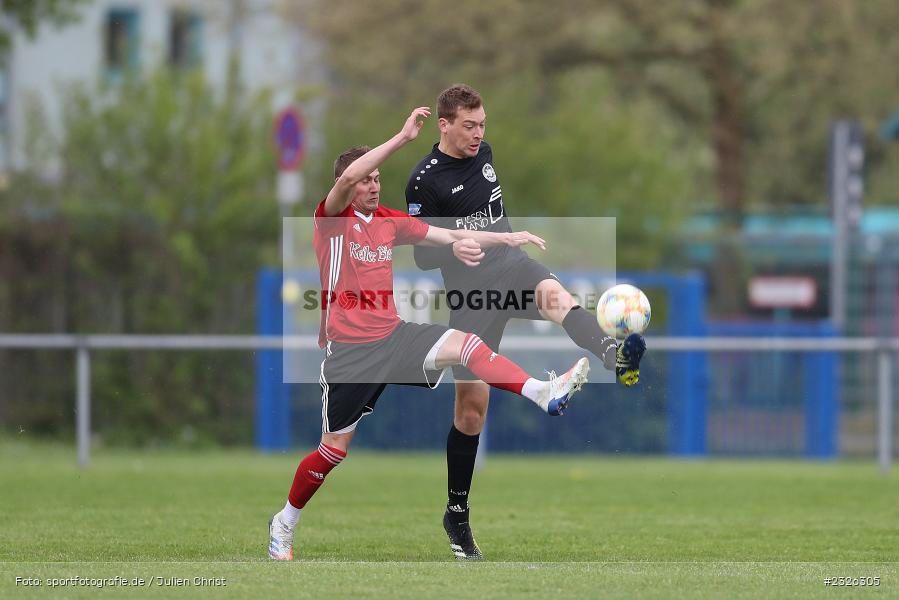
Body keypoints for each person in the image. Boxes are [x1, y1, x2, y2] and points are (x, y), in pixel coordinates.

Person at [268, 106, 591, 561]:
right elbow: (344, 182)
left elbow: (447, 234)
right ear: (346, 184)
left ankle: (542, 390)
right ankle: (285, 521)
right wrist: (401, 138)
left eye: (377, 178)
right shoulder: (332, 220)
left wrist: (505, 239)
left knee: (466, 344)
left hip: (394, 338)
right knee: (333, 450)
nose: (373, 184)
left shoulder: (388, 221)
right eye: (366, 178)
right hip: (351, 356)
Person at [405, 84, 646, 560]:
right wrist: (453, 244)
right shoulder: (424, 181)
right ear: (444, 124)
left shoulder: (485, 154)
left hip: (513, 268)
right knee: (471, 411)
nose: (478, 135)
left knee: (557, 297)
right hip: (472, 294)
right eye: (469, 126)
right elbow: (419, 257)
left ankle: (611, 353)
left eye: (483, 125)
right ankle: (456, 512)